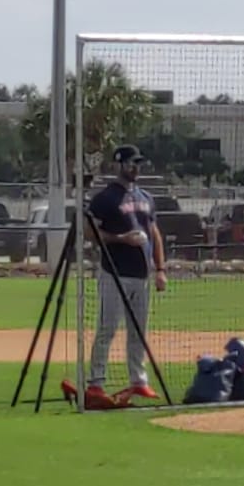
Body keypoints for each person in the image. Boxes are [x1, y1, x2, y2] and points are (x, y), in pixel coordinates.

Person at [84, 144, 167, 409]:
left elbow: (153, 233)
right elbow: (89, 232)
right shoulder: (105, 198)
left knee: (138, 331)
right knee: (107, 328)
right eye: (131, 163)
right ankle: (96, 382)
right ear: (118, 165)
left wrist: (160, 269)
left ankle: (138, 380)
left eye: (138, 163)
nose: (136, 168)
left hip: (141, 275)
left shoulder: (145, 197)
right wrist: (120, 239)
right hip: (114, 272)